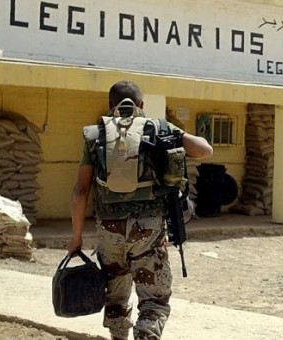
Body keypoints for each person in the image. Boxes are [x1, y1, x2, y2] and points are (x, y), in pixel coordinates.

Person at [67, 81, 213, 340]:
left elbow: (80, 191)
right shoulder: (158, 128)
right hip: (148, 230)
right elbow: (204, 150)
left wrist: (76, 238)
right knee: (154, 300)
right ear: (141, 105)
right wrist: (175, 134)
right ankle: (146, 334)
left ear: (110, 106)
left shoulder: (94, 135)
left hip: (110, 230)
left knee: (116, 295)